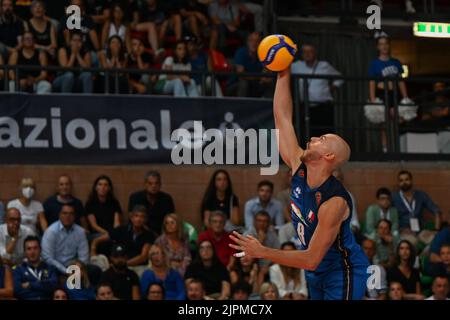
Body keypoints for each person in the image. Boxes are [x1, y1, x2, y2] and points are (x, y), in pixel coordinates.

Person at [229, 67, 370, 300]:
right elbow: (282, 116)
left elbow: (312, 258)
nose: (313, 138)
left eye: (321, 139)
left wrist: (262, 251)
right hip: (315, 272)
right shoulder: (297, 166)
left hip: (342, 271)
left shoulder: (334, 202)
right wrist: (283, 71)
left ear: (329, 157)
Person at [291, 42, 344, 138]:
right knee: (307, 134)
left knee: (325, 134)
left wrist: (330, 89)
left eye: (310, 51)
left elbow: (340, 78)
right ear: (302, 54)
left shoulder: (324, 65)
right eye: (304, 52)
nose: (307, 54)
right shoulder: (296, 66)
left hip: (323, 106)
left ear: (315, 53)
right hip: (305, 107)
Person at [91, 205, 155, 277]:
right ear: (131, 218)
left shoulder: (149, 235)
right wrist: (93, 252)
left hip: (138, 267)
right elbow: (96, 240)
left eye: (142, 217)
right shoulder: (121, 230)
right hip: (118, 265)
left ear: (145, 220)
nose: (138, 219)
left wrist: (124, 263)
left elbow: (143, 257)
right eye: (136, 216)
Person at [392, 170, 441, 245]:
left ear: (411, 180)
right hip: (404, 231)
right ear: (399, 183)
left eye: (407, 179)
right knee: (411, 242)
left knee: (436, 239)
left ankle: (421, 256)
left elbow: (437, 211)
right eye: (401, 180)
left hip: (420, 231)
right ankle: (414, 256)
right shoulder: (394, 197)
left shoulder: (421, 195)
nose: (404, 182)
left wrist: (436, 230)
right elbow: (388, 215)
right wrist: (398, 230)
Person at [41, 204, 89, 275]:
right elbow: (47, 257)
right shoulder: (51, 231)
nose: (68, 216)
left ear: (74, 216)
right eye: (64, 213)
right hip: (55, 267)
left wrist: (78, 267)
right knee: (47, 272)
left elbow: (84, 256)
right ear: (59, 215)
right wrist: (66, 271)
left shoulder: (80, 232)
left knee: (94, 270)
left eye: (71, 214)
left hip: (74, 266)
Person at [128, 171, 175, 237]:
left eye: (156, 183)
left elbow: (171, 220)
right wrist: (150, 233)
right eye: (150, 183)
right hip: (140, 233)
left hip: (161, 234)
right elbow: (131, 218)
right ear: (145, 184)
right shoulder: (135, 197)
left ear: (160, 185)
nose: (153, 186)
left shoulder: (167, 199)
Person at [13, 235, 57, 300]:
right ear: (25, 252)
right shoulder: (18, 270)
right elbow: (18, 291)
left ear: (40, 250)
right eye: (29, 249)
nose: (32, 252)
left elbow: (53, 286)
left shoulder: (49, 268)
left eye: (35, 248)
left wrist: (30, 285)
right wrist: (43, 286)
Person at [230, 32, 272, 98]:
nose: (254, 43)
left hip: (254, 85)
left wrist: (267, 79)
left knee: (269, 84)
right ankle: (241, 107)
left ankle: (269, 107)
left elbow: (266, 72)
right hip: (236, 85)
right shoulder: (241, 52)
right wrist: (260, 78)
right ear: (247, 42)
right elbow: (241, 75)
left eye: (257, 41)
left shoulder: (262, 55)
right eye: (251, 40)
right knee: (244, 84)